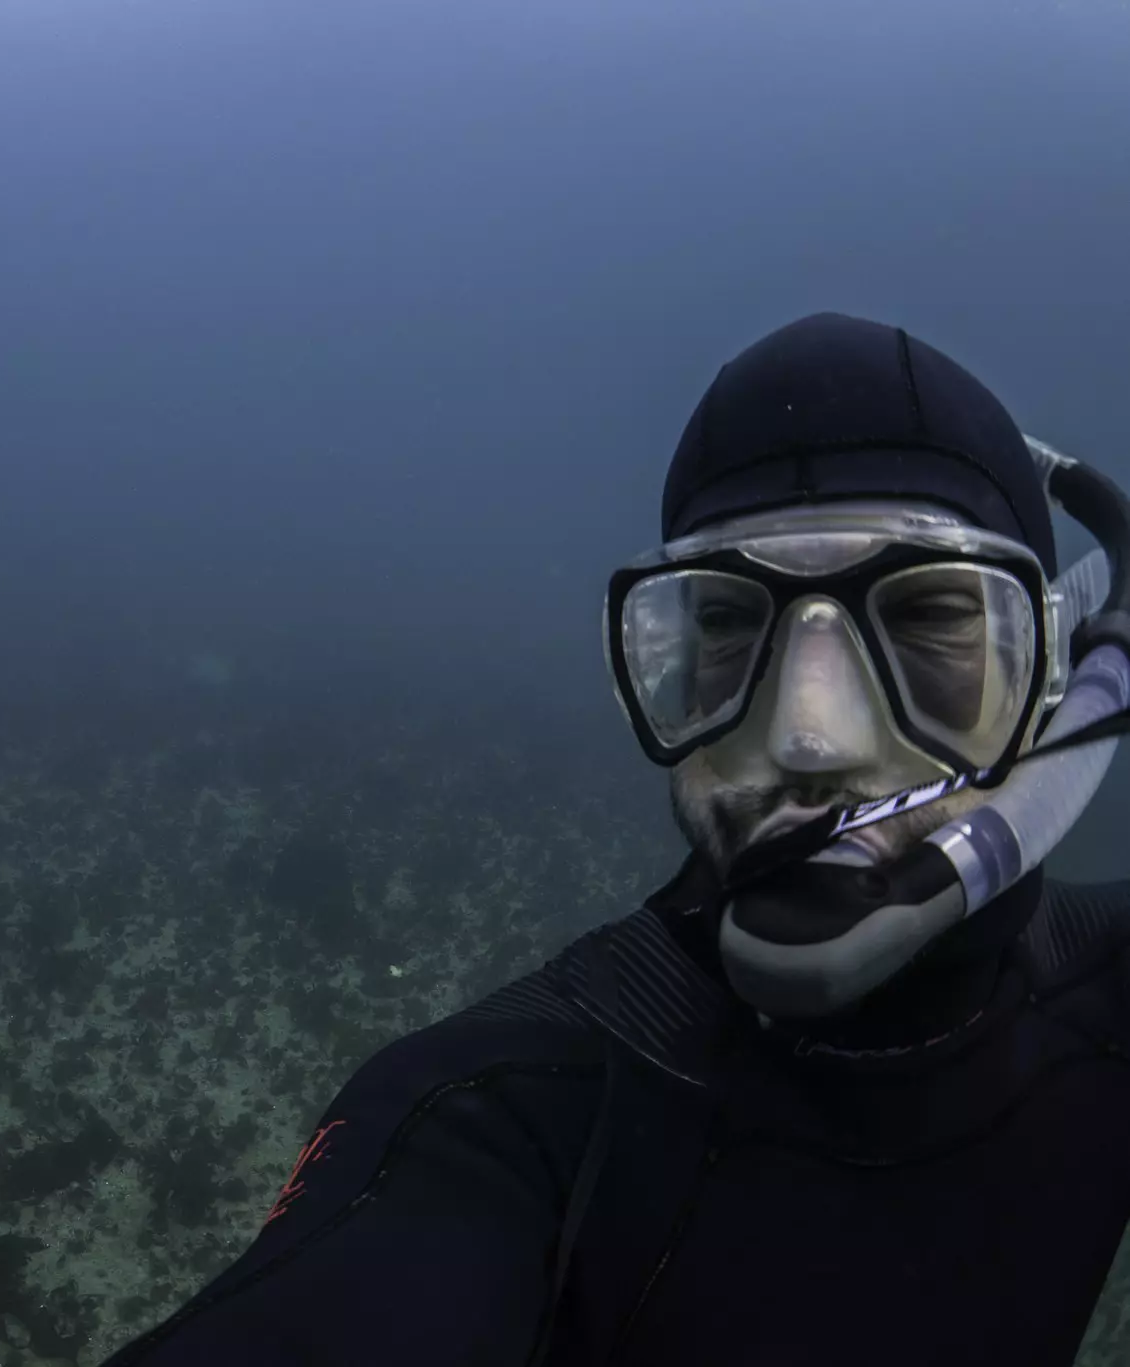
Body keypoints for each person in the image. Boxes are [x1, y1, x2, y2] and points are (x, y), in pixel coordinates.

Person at [101, 312, 1130, 1366]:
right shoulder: (501, 1120)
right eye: (727, 626)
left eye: (927, 618)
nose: (806, 734)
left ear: (1051, 670)